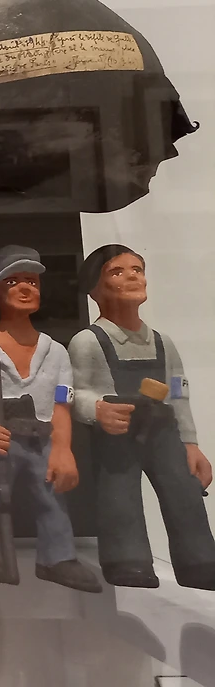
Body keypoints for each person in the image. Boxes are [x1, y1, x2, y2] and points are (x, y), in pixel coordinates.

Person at [69, 245, 215, 589]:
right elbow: (74, 392)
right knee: (119, 496)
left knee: (185, 492)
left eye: (138, 269)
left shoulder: (163, 343)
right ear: (94, 289)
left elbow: (179, 393)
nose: (133, 276)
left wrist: (191, 444)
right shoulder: (88, 342)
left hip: (164, 432)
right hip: (117, 434)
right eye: (117, 271)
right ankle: (127, 561)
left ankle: (199, 561)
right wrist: (98, 409)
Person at [0, 245, 101, 591]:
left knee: (52, 496)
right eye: (13, 281)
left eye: (32, 282)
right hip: (2, 437)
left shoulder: (56, 352)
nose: (25, 288)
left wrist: (63, 449)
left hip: (42, 437)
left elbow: (62, 404)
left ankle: (57, 557)